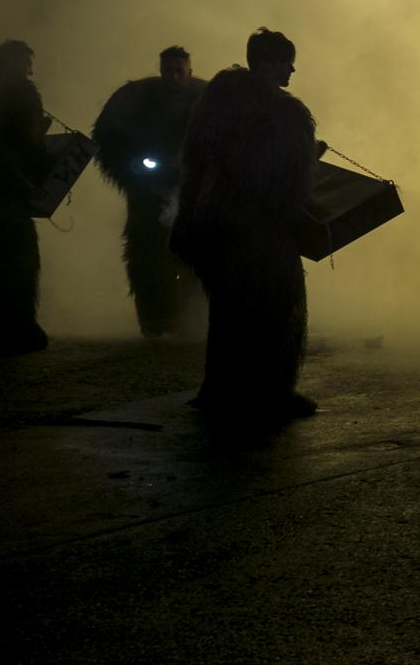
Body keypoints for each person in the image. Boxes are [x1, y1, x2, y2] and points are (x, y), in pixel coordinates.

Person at [171, 28, 320, 425]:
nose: (292, 70)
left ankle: (224, 390)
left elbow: (200, 160)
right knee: (274, 308)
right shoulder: (283, 112)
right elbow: (284, 176)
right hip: (262, 229)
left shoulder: (217, 102)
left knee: (230, 312)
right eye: (286, 62)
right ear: (269, 64)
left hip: (218, 226)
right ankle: (270, 393)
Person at [92, 45, 207, 338]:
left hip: (193, 193)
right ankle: (156, 323)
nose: (174, 76)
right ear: (161, 70)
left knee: (197, 261)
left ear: (189, 71)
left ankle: (194, 320)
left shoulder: (206, 98)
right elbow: (109, 141)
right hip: (148, 192)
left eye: (179, 70)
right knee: (149, 260)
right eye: (169, 70)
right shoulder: (137, 97)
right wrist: (135, 174)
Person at [0, 40, 51, 356]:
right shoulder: (22, 94)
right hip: (5, 194)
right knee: (17, 261)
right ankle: (16, 329)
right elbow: (30, 143)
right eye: (28, 65)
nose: (31, 72)